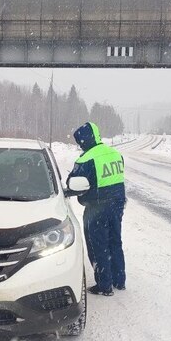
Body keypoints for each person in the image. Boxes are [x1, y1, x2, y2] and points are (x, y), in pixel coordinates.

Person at [67, 122, 126, 296]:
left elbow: (73, 183)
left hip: (97, 208)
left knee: (98, 246)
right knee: (115, 241)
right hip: (118, 205)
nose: (80, 145)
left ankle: (104, 285)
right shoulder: (115, 154)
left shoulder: (86, 159)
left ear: (84, 140)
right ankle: (119, 280)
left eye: (80, 142)